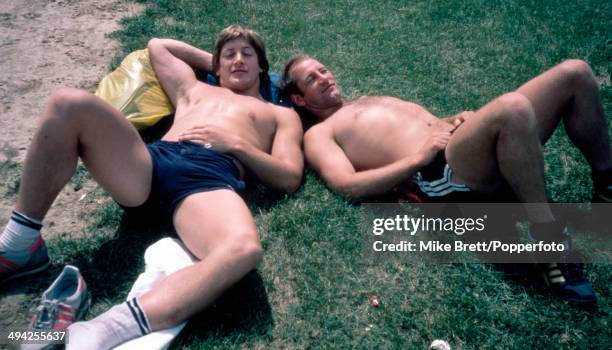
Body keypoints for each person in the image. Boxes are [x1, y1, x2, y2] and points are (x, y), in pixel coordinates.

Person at [0, 25, 303, 349]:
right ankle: (21, 245)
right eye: (229, 55)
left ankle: (101, 330)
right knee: (67, 102)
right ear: (216, 65)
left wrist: (237, 146)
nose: (238, 60)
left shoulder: (279, 114)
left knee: (241, 248)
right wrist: (216, 64)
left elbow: (288, 176)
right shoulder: (194, 89)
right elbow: (159, 46)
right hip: (151, 164)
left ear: (262, 65)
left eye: (248, 55)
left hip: (206, 182)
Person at [282, 55, 612, 305]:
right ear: (299, 99)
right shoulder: (319, 134)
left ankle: (607, 186)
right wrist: (416, 160)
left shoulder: (366, 100)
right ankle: (548, 239)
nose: (324, 77)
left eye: (323, 70)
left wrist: (455, 121)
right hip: (437, 173)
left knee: (575, 72)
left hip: (455, 146)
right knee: (512, 107)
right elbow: (347, 186)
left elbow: (422, 126)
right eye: (311, 79)